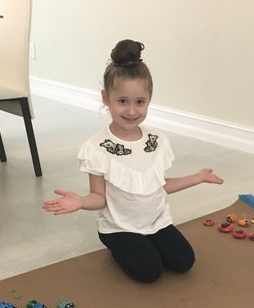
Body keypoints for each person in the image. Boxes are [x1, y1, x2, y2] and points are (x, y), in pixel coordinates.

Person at [43, 39, 224, 283]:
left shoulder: (156, 141)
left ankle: (147, 242)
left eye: (140, 102)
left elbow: (159, 185)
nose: (131, 111)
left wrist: (198, 177)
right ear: (106, 98)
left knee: (184, 262)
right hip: (120, 227)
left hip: (156, 222)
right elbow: (99, 197)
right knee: (149, 272)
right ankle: (118, 246)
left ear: (149, 99)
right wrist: (80, 201)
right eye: (122, 101)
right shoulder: (97, 148)